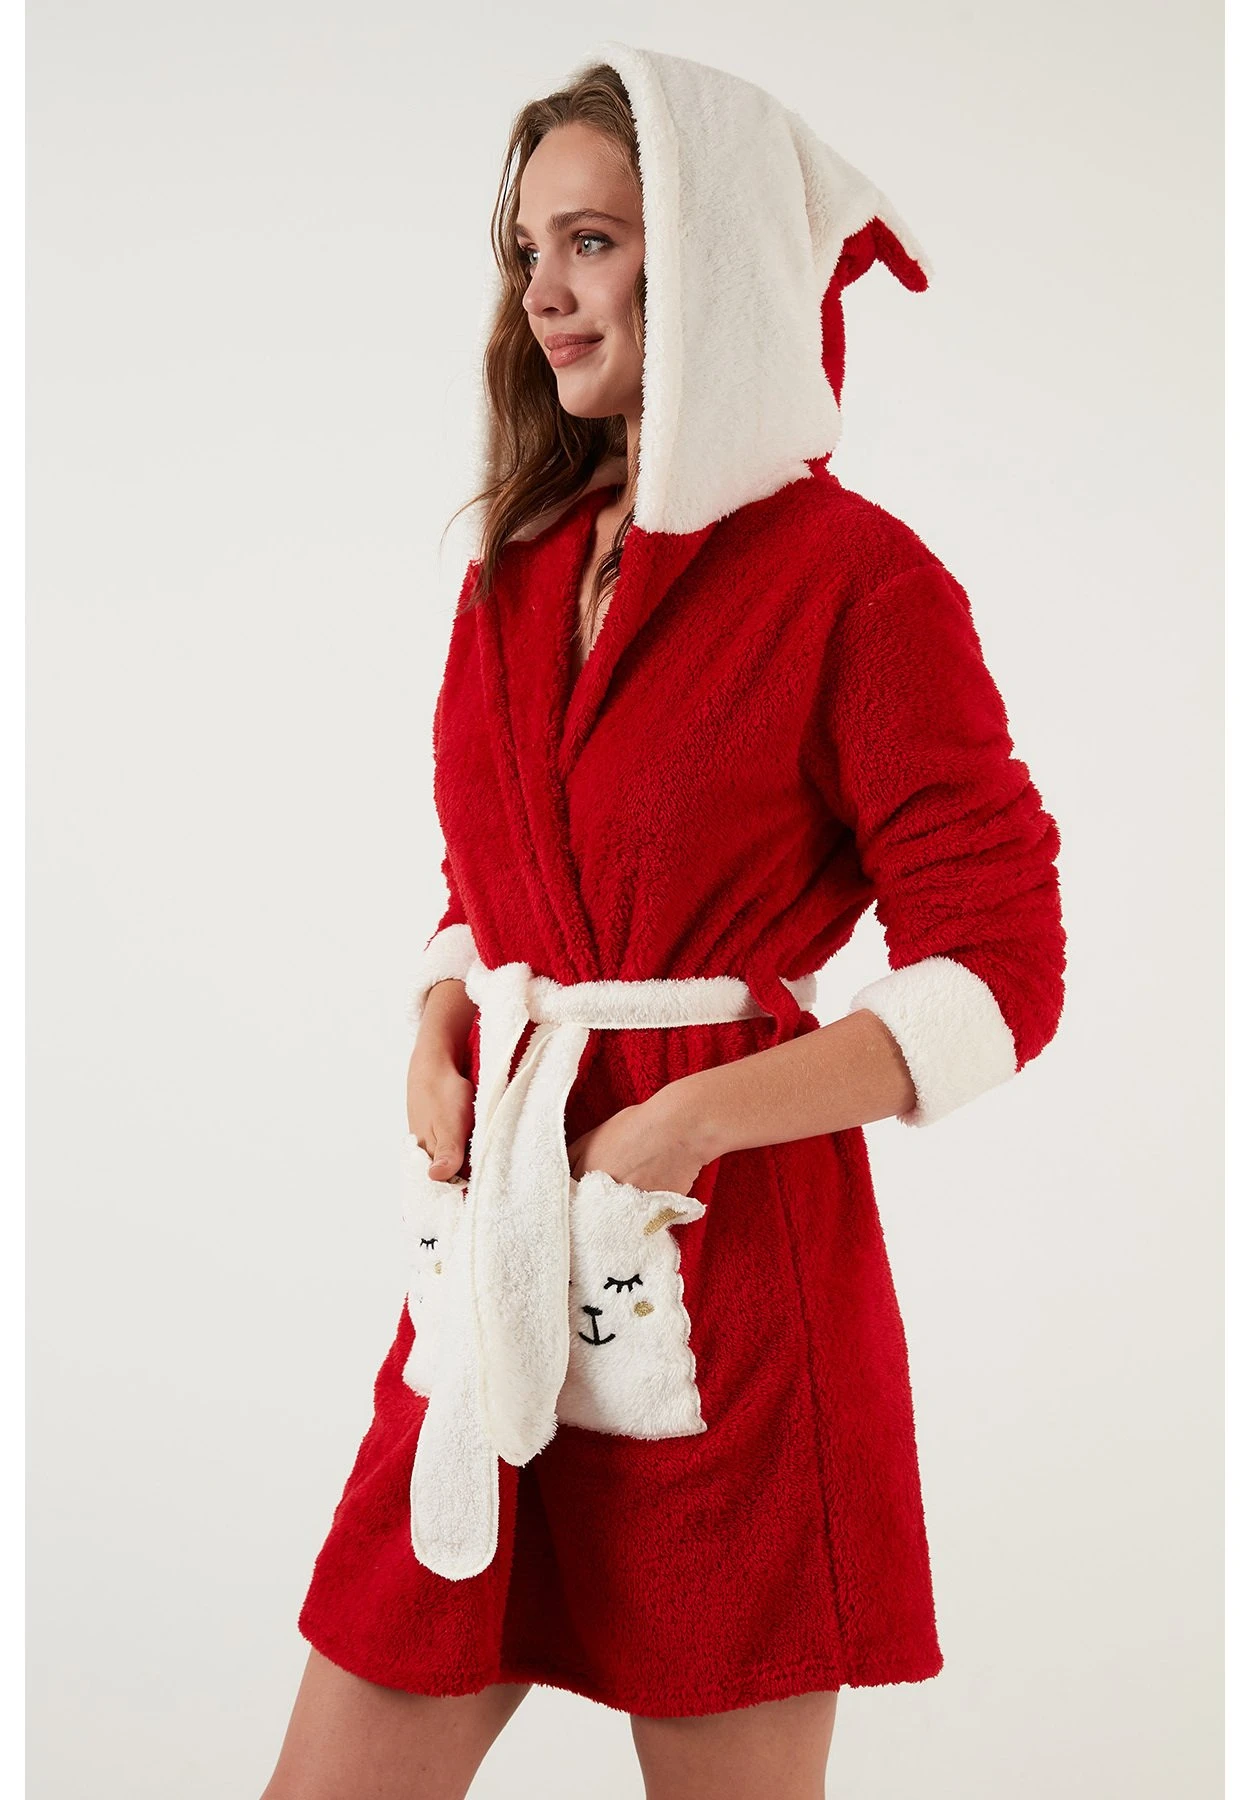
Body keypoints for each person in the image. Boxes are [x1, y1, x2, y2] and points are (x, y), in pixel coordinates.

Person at [262, 41, 1067, 1800]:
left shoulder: (856, 583)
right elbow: (497, 884)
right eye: (527, 249)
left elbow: (999, 969)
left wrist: (688, 1119)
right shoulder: (517, 569)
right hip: (499, 1253)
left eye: (595, 242)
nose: (544, 292)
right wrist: (437, 1018)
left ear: (713, 259)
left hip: (729, 1275)